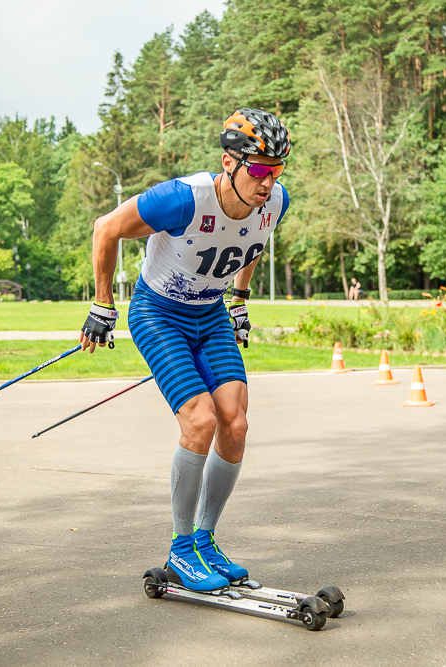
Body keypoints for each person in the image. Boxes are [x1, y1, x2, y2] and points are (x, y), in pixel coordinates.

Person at [79, 108, 291, 592]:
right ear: (228, 162)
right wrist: (102, 305)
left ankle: (205, 540)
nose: (267, 182)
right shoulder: (182, 200)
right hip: (159, 314)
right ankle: (179, 548)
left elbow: (251, 246)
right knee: (200, 420)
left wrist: (239, 299)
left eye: (277, 171)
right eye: (258, 169)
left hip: (210, 315)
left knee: (234, 424)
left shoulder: (274, 202)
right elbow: (105, 227)